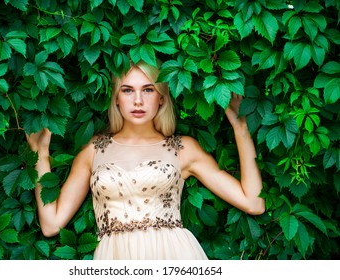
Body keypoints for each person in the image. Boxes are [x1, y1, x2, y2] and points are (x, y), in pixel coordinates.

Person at [26, 60, 265, 260]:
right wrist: (40, 154)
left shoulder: (183, 149)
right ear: (116, 98)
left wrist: (240, 128)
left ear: (161, 98)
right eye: (127, 90)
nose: (138, 100)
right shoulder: (93, 150)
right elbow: (51, 224)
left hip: (174, 256)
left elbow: (253, 202)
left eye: (148, 89)